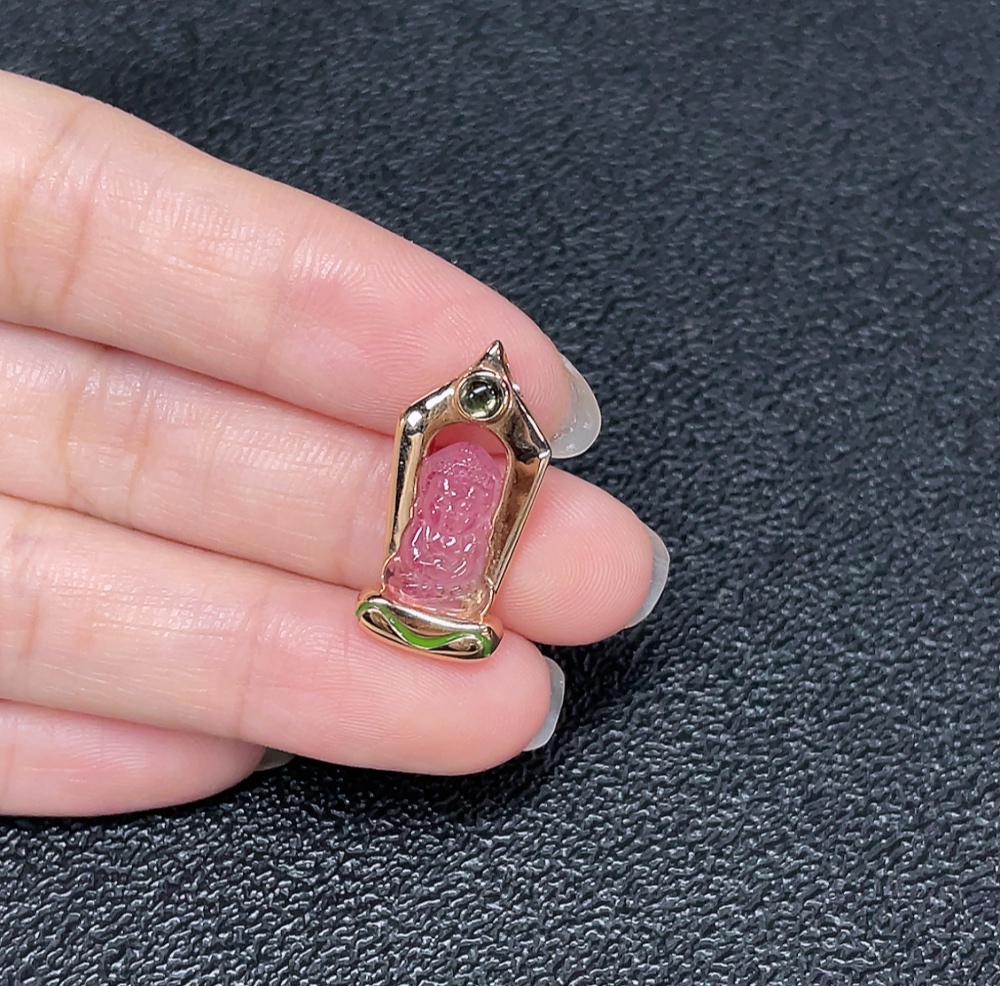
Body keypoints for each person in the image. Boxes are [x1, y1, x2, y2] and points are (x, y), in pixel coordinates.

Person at [0, 70, 668, 816]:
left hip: (452, 581)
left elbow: (503, 471)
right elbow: (418, 438)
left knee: (470, 555)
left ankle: (435, 603)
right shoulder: (436, 450)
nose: (452, 489)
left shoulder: (487, 471)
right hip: (422, 572)